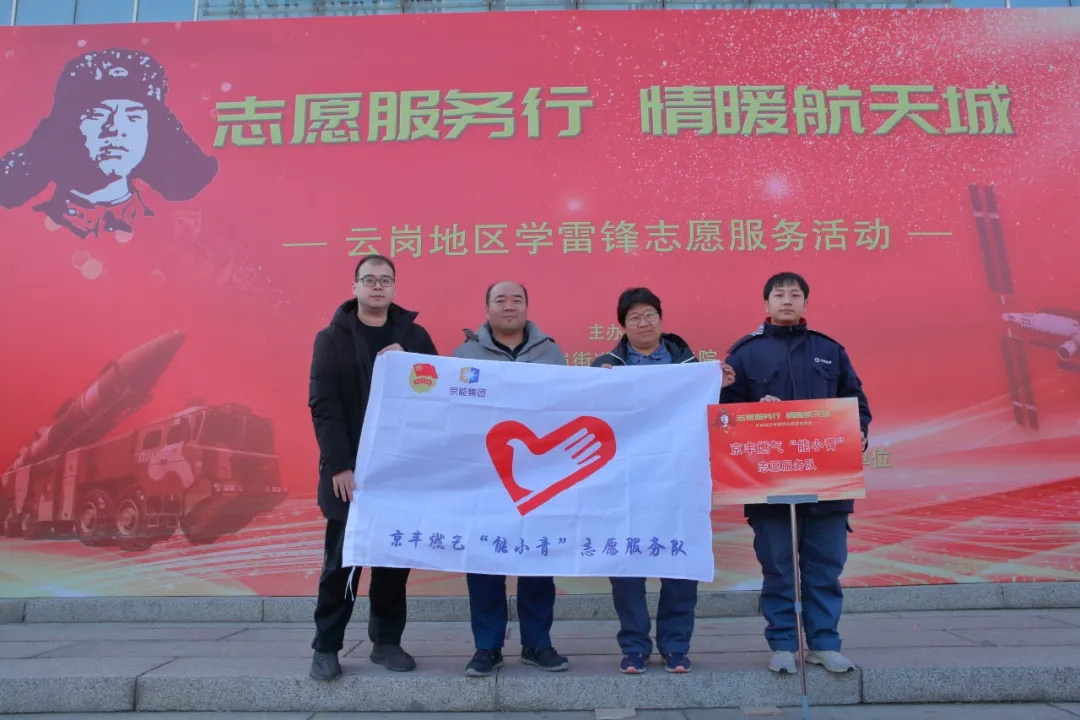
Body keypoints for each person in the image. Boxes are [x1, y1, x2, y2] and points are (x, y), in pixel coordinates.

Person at [719, 271, 872, 675]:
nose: (786, 300)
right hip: (770, 484)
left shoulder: (829, 350)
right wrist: (754, 414)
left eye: (794, 294)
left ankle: (824, 643)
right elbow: (724, 418)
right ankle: (784, 643)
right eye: (779, 294)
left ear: (806, 302)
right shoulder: (744, 354)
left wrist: (858, 432)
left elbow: (857, 405)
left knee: (825, 566)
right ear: (766, 303)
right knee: (779, 567)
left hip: (827, 484)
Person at [307, 255, 438, 681]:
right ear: (355, 287)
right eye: (369, 280)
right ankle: (326, 646)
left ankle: (386, 642)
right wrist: (339, 467)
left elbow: (437, 393)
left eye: (385, 280)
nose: (377, 286)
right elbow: (323, 406)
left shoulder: (415, 336)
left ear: (394, 288)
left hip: (399, 471)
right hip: (350, 474)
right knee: (341, 564)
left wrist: (411, 360)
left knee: (393, 561)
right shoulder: (331, 338)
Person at [591, 287, 735, 675]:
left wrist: (722, 388)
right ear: (622, 326)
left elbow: (717, 419)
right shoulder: (605, 367)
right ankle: (634, 646)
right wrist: (596, 386)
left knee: (680, 563)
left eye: (649, 315)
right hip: (624, 484)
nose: (643, 323)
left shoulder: (690, 367)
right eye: (634, 317)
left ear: (661, 319)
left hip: (679, 481)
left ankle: (676, 645)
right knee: (626, 567)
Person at [452, 280, 570, 678]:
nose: (509, 306)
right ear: (486, 309)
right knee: (485, 562)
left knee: (537, 559)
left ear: (527, 308)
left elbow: (568, 407)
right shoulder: (464, 355)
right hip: (484, 479)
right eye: (500, 300)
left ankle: (538, 643)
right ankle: (487, 646)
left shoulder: (550, 353)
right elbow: (450, 415)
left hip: (539, 479)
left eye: (516, 299)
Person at [0, 48, 217, 239]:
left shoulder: (167, 229)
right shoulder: (23, 230)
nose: (115, 129)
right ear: (69, 126)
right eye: (98, 115)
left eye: (133, 117)